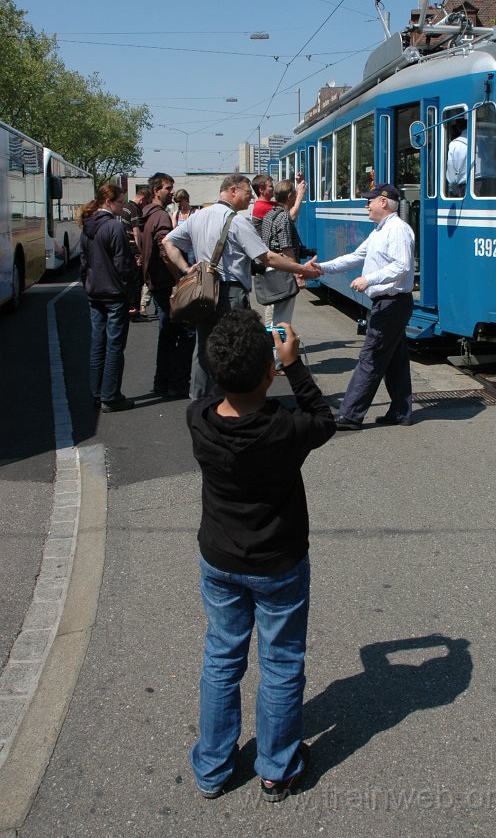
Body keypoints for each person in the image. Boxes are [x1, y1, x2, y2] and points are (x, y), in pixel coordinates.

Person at [186, 310, 336, 800]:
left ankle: (213, 767)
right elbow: (324, 419)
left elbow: (211, 393)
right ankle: (277, 767)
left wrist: (258, 364)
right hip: (279, 562)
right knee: (281, 662)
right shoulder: (284, 428)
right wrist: (294, 365)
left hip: (220, 559)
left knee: (222, 657)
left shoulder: (198, 419)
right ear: (270, 371)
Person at [162, 173, 320, 400]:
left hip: (204, 292)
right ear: (233, 191)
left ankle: (199, 400)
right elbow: (268, 257)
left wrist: (186, 269)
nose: (251, 198)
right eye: (248, 193)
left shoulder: (198, 216)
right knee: (235, 347)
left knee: (205, 345)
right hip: (230, 294)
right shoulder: (236, 222)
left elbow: (168, 241)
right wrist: (302, 269)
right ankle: (233, 400)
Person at [314, 183, 415, 430]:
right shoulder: (380, 230)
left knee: (370, 357)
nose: (366, 205)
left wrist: (368, 279)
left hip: (392, 304)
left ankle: (350, 415)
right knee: (395, 361)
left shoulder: (397, 230)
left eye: (370, 201)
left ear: (384, 202)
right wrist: (320, 268)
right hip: (389, 304)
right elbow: (355, 257)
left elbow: (402, 266)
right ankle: (401, 412)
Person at [79, 184, 138, 413]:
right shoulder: (114, 227)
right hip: (114, 293)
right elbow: (123, 265)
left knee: (98, 343)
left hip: (95, 291)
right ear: (108, 202)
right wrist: (131, 295)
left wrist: (87, 284)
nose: (123, 207)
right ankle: (110, 396)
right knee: (114, 345)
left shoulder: (88, 226)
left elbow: (84, 262)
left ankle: (97, 392)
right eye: (120, 202)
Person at [139, 172, 195, 398]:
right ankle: (178, 383)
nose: (172, 192)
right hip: (165, 282)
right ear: (156, 190)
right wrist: (180, 275)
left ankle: (162, 382)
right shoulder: (161, 216)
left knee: (168, 333)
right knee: (187, 331)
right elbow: (165, 250)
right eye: (168, 188)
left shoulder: (147, 214)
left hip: (155, 282)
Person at [259, 178, 304, 337]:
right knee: (283, 317)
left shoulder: (269, 215)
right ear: (290, 196)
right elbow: (287, 249)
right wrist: (298, 274)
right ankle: (279, 350)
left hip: (270, 267)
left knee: (272, 313)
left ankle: (270, 345)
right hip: (282, 270)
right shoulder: (283, 216)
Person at [120, 186, 151, 319]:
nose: (146, 205)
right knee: (137, 281)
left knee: (129, 279)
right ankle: (135, 310)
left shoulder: (125, 207)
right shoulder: (134, 209)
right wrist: (139, 252)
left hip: (125, 247)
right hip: (133, 247)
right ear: (142, 199)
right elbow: (136, 231)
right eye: (147, 202)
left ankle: (129, 307)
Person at [446, 118, 467, 197]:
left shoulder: (455, 144)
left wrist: (454, 192)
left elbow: (452, 175)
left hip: (467, 186)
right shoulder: (488, 138)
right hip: (494, 182)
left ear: (458, 127)